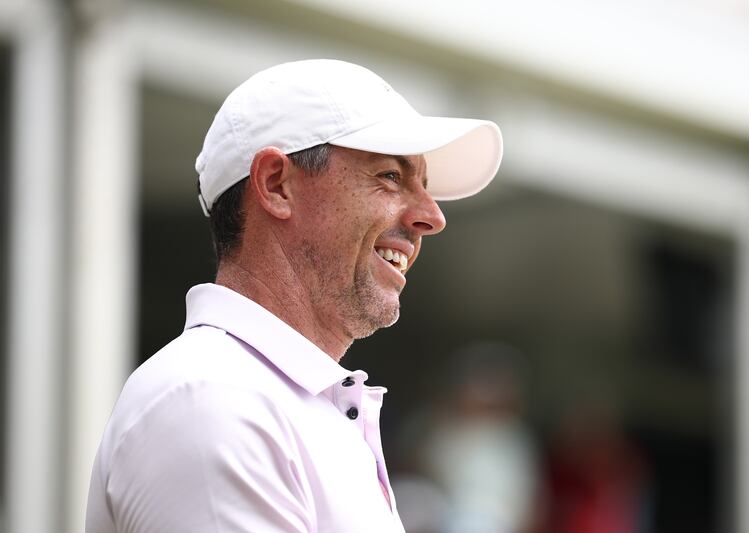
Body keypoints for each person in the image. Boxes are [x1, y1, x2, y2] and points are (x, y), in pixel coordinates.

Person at [85, 59, 503, 533]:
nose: (432, 216)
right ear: (275, 185)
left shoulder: (268, 400)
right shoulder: (213, 399)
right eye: (390, 175)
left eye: (423, 186)